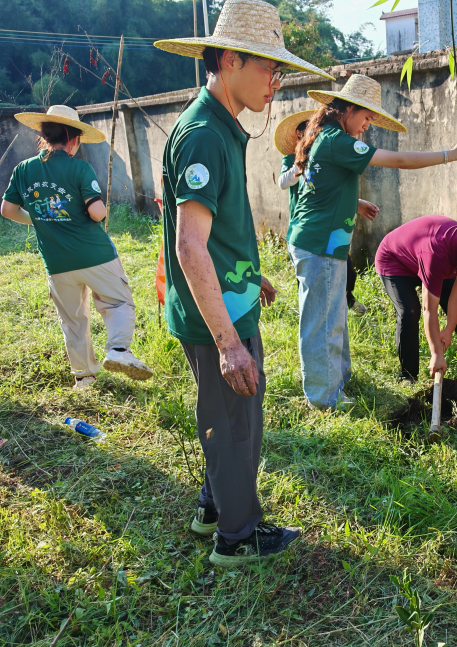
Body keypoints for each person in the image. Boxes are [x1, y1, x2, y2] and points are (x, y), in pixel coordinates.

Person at [153, 0, 335, 566]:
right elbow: (189, 245)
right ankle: (236, 536)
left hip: (231, 301)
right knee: (235, 427)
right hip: (218, 322)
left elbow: (218, 231)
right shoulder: (204, 134)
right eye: (269, 68)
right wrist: (229, 344)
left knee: (231, 419)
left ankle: (213, 508)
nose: (275, 83)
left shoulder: (220, 126)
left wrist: (251, 275)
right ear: (230, 60)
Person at [288, 74, 457, 409]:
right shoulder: (337, 140)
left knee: (333, 317)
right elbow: (399, 161)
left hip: (324, 243)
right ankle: (324, 397)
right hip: (319, 245)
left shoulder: (327, 136)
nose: (367, 126)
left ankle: (338, 381)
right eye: (366, 117)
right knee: (321, 322)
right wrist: (451, 154)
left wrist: (354, 203)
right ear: (348, 109)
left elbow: (319, 187)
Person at [1, 105, 153, 389]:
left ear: (44, 136)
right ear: (73, 139)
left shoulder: (23, 169)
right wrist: (100, 208)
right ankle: (118, 349)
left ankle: (83, 378)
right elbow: (96, 213)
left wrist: (40, 218)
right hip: (95, 255)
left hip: (57, 263)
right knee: (118, 302)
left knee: (73, 321)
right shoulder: (80, 168)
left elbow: (7, 210)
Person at [375, 216, 457, 382]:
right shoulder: (437, 253)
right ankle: (408, 375)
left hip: (427, 259)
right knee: (410, 312)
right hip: (395, 261)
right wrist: (436, 353)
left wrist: (448, 330)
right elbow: (429, 308)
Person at [274, 110, 371, 316]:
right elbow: (282, 182)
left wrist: (356, 203)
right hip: (306, 226)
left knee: (347, 269)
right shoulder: (292, 158)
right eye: (309, 130)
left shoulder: (323, 152)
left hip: (327, 227)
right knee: (308, 279)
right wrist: (301, 165)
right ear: (299, 134)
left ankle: (348, 299)